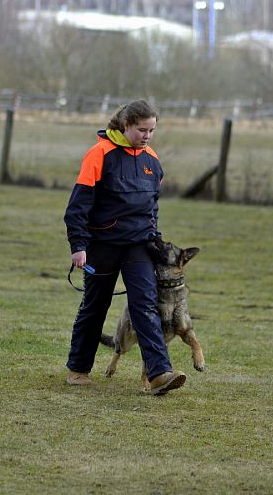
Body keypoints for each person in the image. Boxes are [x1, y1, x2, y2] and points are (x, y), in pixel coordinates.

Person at [64, 99, 186, 396]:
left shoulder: (152, 159)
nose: (147, 136)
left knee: (145, 305)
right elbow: (78, 206)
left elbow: (152, 205)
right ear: (126, 125)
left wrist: (153, 233)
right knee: (95, 306)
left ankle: (159, 374)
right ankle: (78, 369)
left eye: (152, 130)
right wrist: (79, 245)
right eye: (142, 130)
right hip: (102, 244)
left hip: (138, 246)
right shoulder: (99, 154)